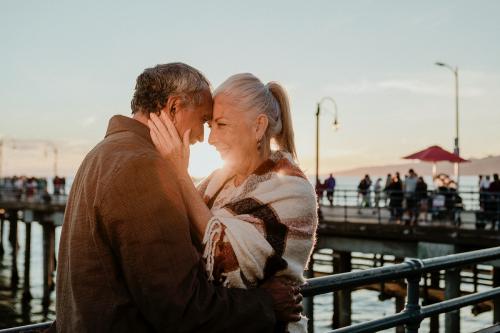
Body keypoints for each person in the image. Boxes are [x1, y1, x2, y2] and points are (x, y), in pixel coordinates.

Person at [52, 63, 301, 333]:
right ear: (174, 107)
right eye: (205, 120)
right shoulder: (143, 166)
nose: (203, 136)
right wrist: (266, 304)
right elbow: (182, 308)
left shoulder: (102, 153)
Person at [149, 73, 318, 332]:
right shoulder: (218, 181)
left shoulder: (292, 190)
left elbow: (221, 259)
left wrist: (179, 173)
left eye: (221, 124)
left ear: (258, 126)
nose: (211, 139)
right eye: (210, 125)